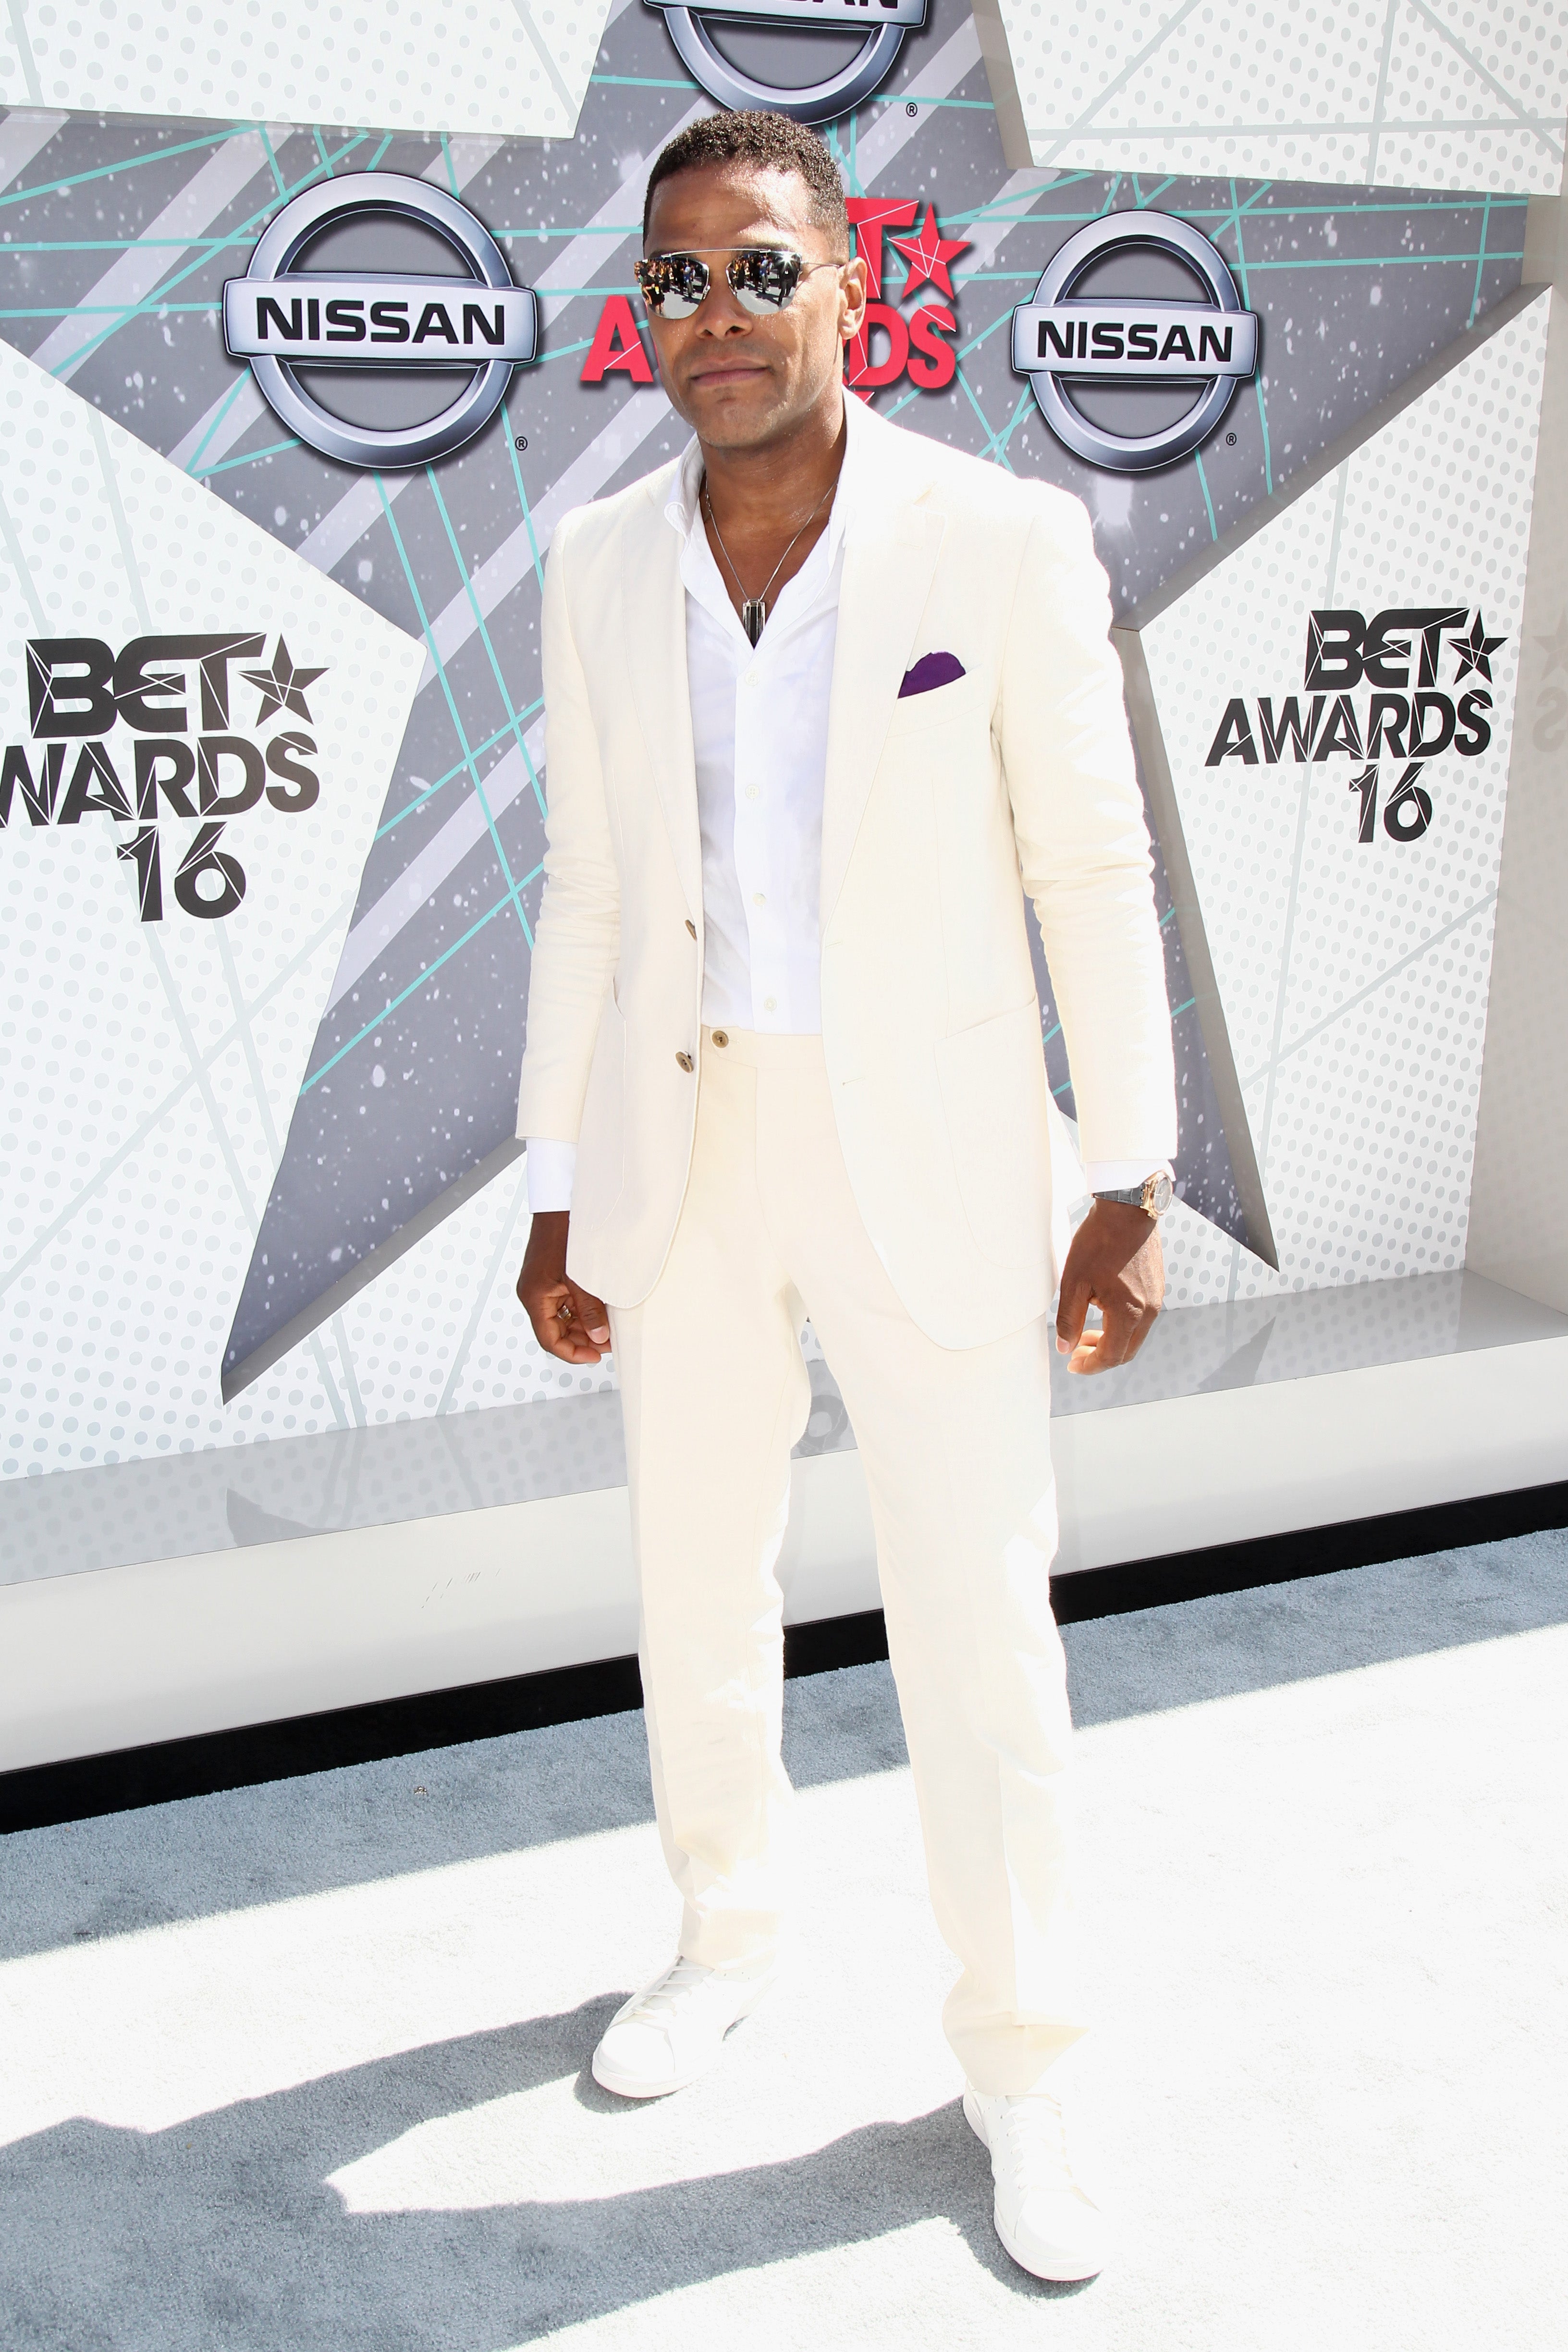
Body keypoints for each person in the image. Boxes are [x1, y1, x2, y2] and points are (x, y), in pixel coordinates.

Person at [514, 110, 1176, 2285]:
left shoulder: (999, 542)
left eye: (761, 267)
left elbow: (1091, 866)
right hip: (684, 1143)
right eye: (676, 275)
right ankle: (723, 1932)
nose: (716, 311)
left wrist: (1130, 1173)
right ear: (644, 312)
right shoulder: (597, 566)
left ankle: (1026, 2058)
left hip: (939, 1151)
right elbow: (591, 890)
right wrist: (555, 1184)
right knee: (697, 1583)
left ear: (851, 287)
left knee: (976, 1621)